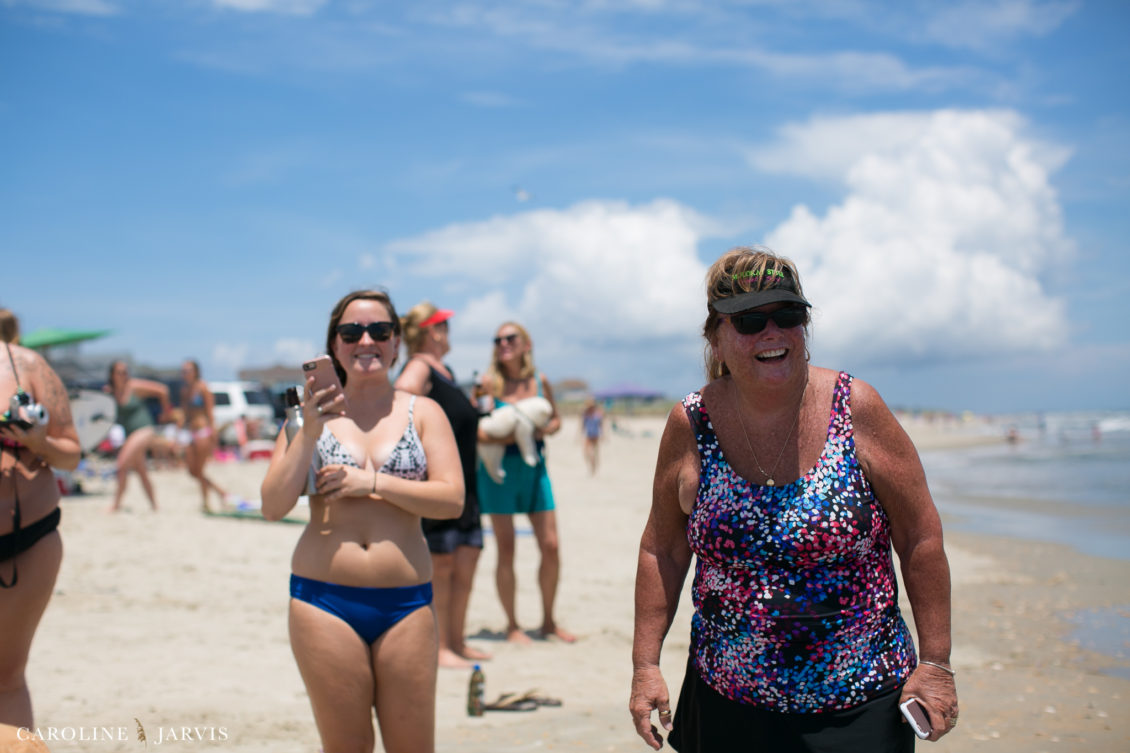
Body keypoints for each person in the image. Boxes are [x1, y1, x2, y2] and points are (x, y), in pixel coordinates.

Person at [629, 247, 958, 752]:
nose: (772, 332)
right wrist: (645, 666)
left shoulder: (857, 408)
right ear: (716, 337)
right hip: (725, 702)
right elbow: (663, 550)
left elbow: (920, 537)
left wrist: (935, 663)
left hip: (857, 704)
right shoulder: (691, 424)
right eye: (749, 320)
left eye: (788, 314)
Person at [260, 289, 463, 753]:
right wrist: (308, 432)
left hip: (406, 604)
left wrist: (371, 483)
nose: (365, 340)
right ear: (334, 346)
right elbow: (273, 505)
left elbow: (451, 500)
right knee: (347, 746)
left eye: (380, 331)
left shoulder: (423, 413)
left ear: (396, 344)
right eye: (351, 332)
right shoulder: (306, 419)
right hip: (323, 600)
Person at [395, 301, 490, 669]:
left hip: (465, 485)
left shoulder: (444, 370)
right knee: (443, 567)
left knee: (465, 563)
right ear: (433, 332)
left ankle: (457, 642)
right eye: (445, 326)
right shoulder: (419, 365)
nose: (448, 333)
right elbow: (401, 396)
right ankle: (438, 649)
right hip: (438, 483)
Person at [0, 317, 81, 729]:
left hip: (27, 537)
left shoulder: (27, 367)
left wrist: (37, 442)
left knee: (7, 678)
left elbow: (70, 454)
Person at [476, 322, 573, 644]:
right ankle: (512, 626)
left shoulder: (540, 381)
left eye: (510, 338)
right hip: (497, 470)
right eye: (498, 339)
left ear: (525, 344)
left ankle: (548, 621)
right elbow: (478, 425)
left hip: (535, 468)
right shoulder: (488, 384)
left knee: (551, 546)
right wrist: (502, 434)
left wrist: (540, 431)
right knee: (506, 549)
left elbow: (556, 419)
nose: (503, 343)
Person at [105, 361, 172, 512]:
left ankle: (115, 505)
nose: (124, 375)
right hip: (130, 434)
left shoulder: (134, 386)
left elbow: (163, 390)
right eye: (120, 372)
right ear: (112, 375)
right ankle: (155, 506)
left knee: (122, 465)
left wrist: (166, 413)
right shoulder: (111, 392)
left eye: (126, 371)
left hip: (144, 429)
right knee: (141, 471)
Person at [179, 360, 228, 513]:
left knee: (198, 470)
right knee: (194, 471)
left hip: (203, 431)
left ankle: (207, 501)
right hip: (191, 432)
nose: (185, 373)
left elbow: (210, 412)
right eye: (184, 371)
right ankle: (220, 493)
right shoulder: (186, 391)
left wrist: (213, 433)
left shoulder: (203, 388)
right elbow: (185, 413)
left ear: (195, 371)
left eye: (188, 370)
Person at [580, 397, 605, 475]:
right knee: (586, 453)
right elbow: (582, 425)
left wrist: (603, 434)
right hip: (588, 435)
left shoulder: (598, 414)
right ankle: (592, 465)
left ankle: (594, 468)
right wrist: (580, 435)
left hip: (595, 435)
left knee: (595, 452)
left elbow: (601, 425)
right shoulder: (585, 413)